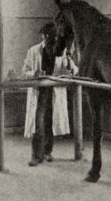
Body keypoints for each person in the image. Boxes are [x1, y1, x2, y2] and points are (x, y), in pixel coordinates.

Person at [23, 22, 77, 166]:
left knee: (50, 123)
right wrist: (34, 73)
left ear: (54, 37)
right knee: (38, 124)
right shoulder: (33, 51)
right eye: (45, 35)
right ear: (42, 35)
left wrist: (70, 67)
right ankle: (36, 155)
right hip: (39, 92)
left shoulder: (61, 52)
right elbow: (25, 71)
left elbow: (73, 70)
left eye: (51, 36)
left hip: (54, 92)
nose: (47, 38)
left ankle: (47, 152)